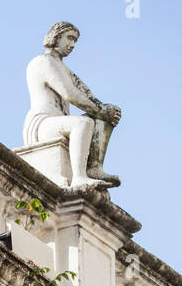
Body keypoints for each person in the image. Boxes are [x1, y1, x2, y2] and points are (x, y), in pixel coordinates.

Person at [23, 23, 121, 190]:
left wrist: (105, 110)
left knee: (102, 118)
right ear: (56, 37)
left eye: (75, 40)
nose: (73, 45)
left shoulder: (63, 68)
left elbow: (86, 94)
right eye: (69, 38)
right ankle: (79, 177)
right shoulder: (44, 61)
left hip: (58, 123)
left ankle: (94, 168)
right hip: (42, 123)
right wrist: (100, 110)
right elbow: (70, 94)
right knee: (83, 123)